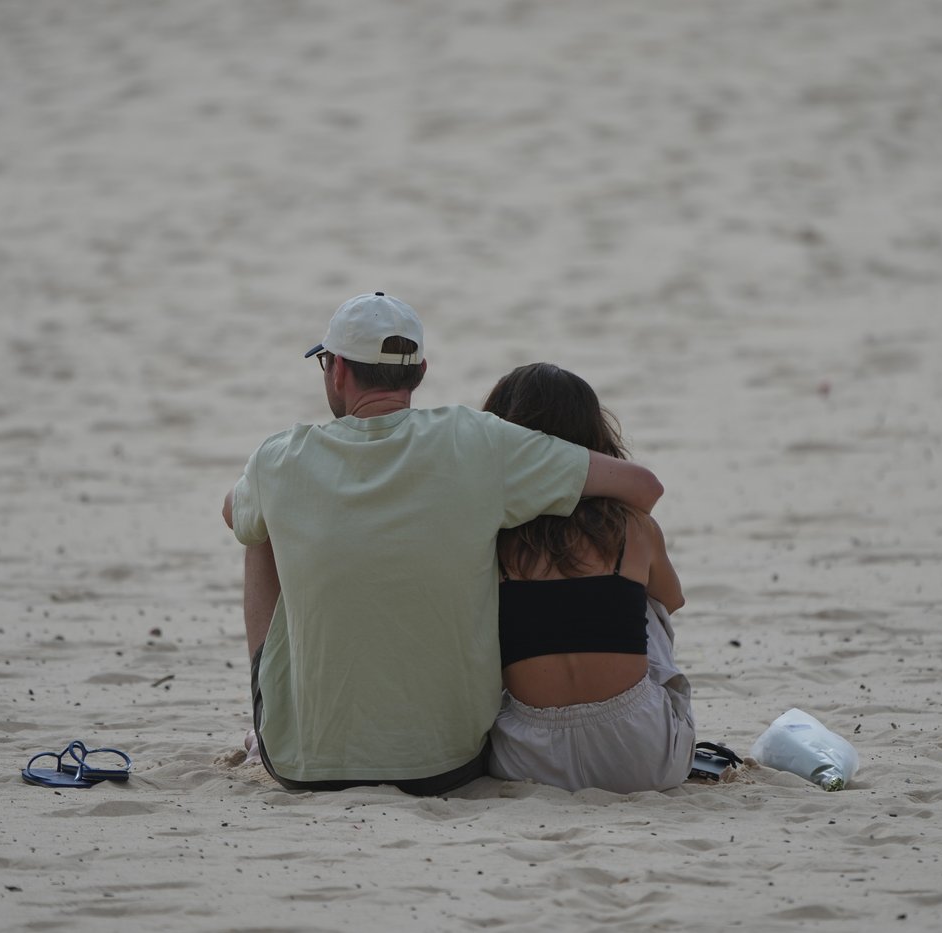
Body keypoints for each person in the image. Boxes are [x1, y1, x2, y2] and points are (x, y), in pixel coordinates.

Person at [222, 293, 665, 795]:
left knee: (254, 524)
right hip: (447, 765)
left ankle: (276, 712)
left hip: (303, 765)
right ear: (420, 370)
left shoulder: (278, 457)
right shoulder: (477, 440)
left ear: (338, 370)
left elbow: (232, 512)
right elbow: (642, 487)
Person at [481, 363, 696, 793]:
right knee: (646, 604)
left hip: (527, 756)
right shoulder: (633, 528)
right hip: (640, 756)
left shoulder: (492, 536)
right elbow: (672, 602)